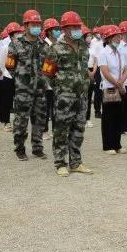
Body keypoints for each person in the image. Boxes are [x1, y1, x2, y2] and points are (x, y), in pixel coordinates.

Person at [42, 11, 93, 176]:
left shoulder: (84, 47)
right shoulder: (55, 48)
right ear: (64, 29)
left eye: (78, 26)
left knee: (78, 130)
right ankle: (60, 163)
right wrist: (59, 89)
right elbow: (47, 72)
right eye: (73, 27)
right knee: (61, 131)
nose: (77, 29)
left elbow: (84, 69)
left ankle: (76, 162)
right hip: (64, 98)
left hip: (82, 96)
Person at [7, 10, 49, 161]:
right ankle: (20, 148)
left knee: (39, 119)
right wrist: (20, 79)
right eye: (33, 24)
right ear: (25, 26)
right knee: (21, 120)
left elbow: (48, 67)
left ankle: (37, 148)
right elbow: (9, 65)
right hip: (23, 90)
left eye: (38, 24)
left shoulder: (44, 45)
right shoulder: (15, 44)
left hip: (41, 89)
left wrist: (45, 80)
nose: (36, 27)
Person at [98, 25, 127, 155]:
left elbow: (126, 70)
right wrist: (117, 83)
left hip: (120, 88)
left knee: (119, 117)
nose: (119, 38)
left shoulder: (120, 52)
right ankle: (108, 145)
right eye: (116, 36)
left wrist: (121, 82)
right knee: (108, 117)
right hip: (109, 88)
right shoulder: (103, 53)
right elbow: (105, 71)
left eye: (119, 36)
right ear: (109, 38)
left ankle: (117, 144)